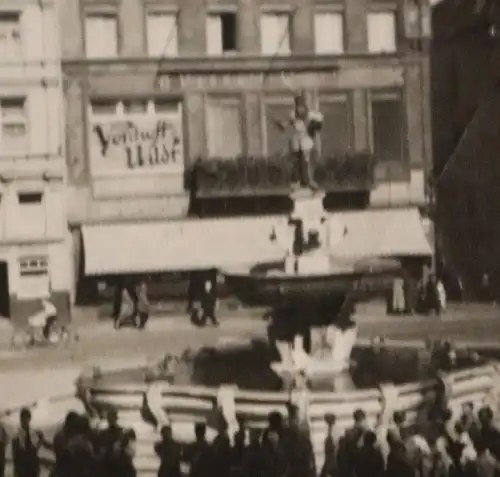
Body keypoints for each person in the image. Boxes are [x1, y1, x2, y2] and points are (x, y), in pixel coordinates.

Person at [276, 91, 323, 190]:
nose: (299, 109)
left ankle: (308, 180)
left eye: (301, 106)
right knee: (296, 161)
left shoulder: (312, 115)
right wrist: (282, 125)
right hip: (297, 141)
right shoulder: (293, 115)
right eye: (298, 106)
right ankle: (297, 180)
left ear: (304, 106)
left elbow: (317, 129)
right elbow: (287, 124)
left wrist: (311, 129)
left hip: (307, 140)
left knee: (306, 161)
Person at [12, 407, 47, 477]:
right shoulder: (16, 436)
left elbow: (37, 447)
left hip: (33, 469)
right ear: (20, 419)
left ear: (29, 419)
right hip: (22, 470)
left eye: (26, 419)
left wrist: (40, 442)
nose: (24, 421)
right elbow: (15, 456)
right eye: (22, 419)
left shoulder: (35, 433)